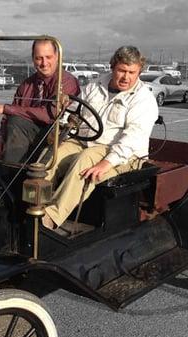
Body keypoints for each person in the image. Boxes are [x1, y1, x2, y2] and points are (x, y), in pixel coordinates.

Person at [42, 45, 158, 230]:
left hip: (123, 155)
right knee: (52, 154)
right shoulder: (94, 88)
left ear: (139, 72)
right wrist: (63, 130)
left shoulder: (143, 99)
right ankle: (34, 203)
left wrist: (107, 163)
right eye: (121, 70)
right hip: (86, 142)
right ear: (112, 67)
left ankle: (49, 219)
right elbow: (73, 112)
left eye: (132, 72)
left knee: (84, 160)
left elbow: (132, 138)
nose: (126, 77)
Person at [0, 39, 80, 162]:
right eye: (39, 58)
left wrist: (3, 108)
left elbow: (50, 115)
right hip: (23, 138)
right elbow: (8, 116)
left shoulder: (66, 81)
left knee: (17, 122)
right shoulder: (26, 85)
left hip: (52, 138)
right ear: (33, 59)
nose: (44, 63)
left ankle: (10, 177)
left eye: (48, 57)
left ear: (57, 57)